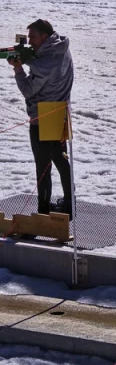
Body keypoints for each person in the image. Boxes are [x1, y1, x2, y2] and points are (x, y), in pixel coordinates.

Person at [7, 19, 74, 217]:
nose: (30, 41)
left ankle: (43, 211)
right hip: (60, 112)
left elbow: (28, 90)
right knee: (61, 161)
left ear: (44, 36)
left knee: (42, 167)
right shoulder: (60, 48)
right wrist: (26, 58)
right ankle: (70, 203)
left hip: (43, 116)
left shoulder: (44, 62)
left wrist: (18, 68)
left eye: (33, 37)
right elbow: (42, 60)